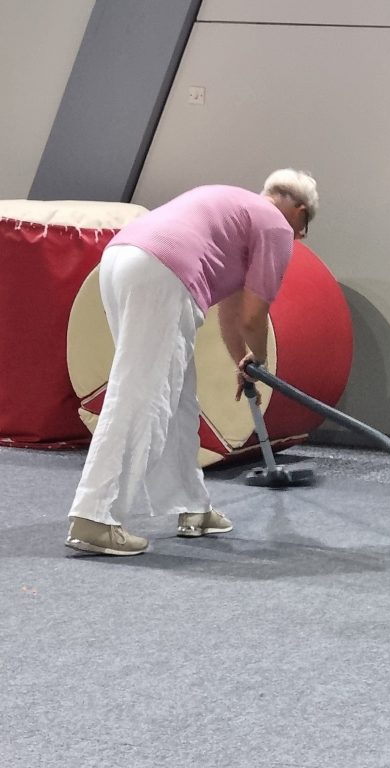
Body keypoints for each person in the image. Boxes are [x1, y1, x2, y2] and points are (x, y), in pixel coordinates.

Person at [65, 169, 319, 556]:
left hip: (121, 258)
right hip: (162, 274)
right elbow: (254, 318)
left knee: (179, 399)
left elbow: (232, 316)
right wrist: (262, 358)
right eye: (303, 229)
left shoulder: (237, 208)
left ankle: (192, 506)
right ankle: (95, 516)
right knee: (142, 395)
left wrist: (244, 363)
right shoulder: (276, 227)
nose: (298, 237)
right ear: (299, 211)